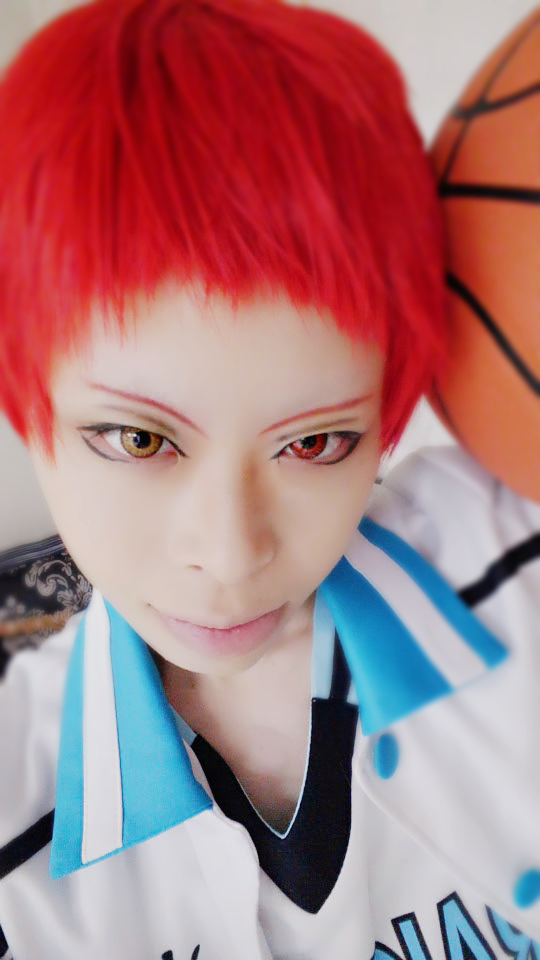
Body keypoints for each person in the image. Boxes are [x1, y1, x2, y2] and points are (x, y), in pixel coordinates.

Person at [0, 1, 531, 957]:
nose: (232, 554)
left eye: (316, 443)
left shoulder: (516, 574)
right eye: (138, 440)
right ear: (25, 398)